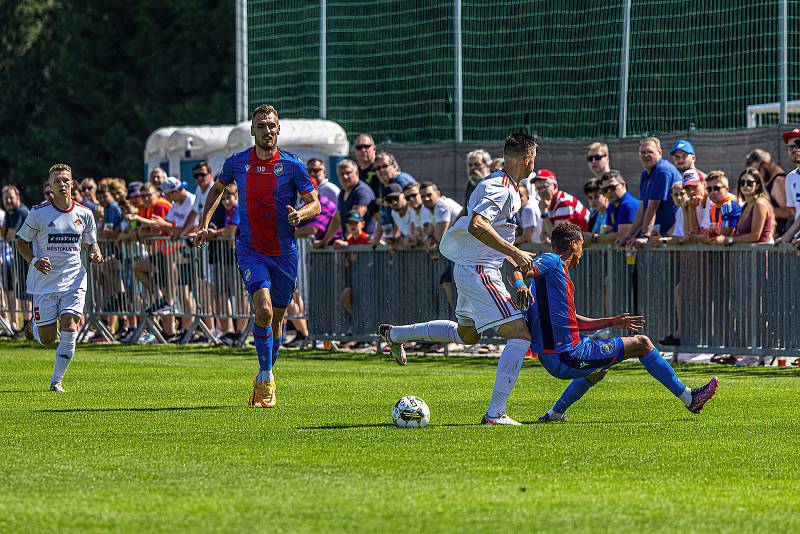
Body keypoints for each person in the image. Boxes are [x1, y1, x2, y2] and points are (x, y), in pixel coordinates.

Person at [379, 133, 537, 426]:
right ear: (528, 158)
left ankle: (396, 334)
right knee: (520, 335)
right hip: (479, 270)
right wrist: (515, 253)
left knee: (469, 336)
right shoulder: (501, 188)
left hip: (470, 267)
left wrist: (513, 254)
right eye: (534, 157)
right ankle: (496, 414)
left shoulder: (501, 185)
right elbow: (478, 225)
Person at [513, 222, 718, 422]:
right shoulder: (553, 261)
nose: (581, 253)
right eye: (582, 246)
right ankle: (690, 397)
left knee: (599, 370)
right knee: (642, 344)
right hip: (566, 355)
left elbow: (573, 321)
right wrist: (520, 284)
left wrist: (612, 321)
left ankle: (556, 414)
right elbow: (521, 268)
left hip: (559, 355)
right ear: (575, 244)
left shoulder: (555, 275)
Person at [194, 104, 320, 409]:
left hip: (284, 253)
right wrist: (205, 224)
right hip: (251, 249)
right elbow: (217, 190)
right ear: (252, 130)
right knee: (262, 311)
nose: (267, 130)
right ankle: (267, 379)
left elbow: (314, 203)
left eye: (271, 125)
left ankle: (264, 376)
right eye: (261, 126)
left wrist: (300, 214)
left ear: (279, 129)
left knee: (276, 323)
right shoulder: (237, 163)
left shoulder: (293, 165)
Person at [17, 164, 106, 391]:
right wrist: (35, 260)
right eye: (57, 181)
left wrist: (95, 251)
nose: (62, 184)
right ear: (51, 186)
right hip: (44, 281)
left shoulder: (85, 214)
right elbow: (21, 242)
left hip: (74, 279)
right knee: (47, 339)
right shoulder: (38, 213)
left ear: (72, 183)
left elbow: (90, 241)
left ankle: (56, 381)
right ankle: (35, 327)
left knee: (69, 324)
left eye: (65, 180)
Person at [617, 137, 682, 245]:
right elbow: (643, 207)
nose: (646, 155)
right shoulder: (646, 173)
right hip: (657, 237)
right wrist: (629, 236)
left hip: (669, 237)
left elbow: (652, 207)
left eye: (650, 152)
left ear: (660, 153)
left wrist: (645, 236)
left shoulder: (663, 171)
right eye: (643, 152)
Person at [419, 181, 462, 310]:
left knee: (449, 281)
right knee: (447, 281)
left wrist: (430, 237)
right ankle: (459, 316)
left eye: (429, 195)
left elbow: (439, 237)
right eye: (422, 196)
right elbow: (428, 231)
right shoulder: (430, 208)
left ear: (437, 194)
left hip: (466, 249)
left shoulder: (441, 205)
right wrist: (430, 236)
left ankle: (460, 316)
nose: (426, 198)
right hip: (461, 250)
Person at [315, 159, 376, 247]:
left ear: (357, 173)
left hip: (365, 247)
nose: (345, 176)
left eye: (348, 173)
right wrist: (324, 242)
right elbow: (337, 219)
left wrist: (345, 240)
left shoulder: (362, 191)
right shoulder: (342, 193)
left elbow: (354, 220)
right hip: (352, 247)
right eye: (342, 174)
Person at [719, 168, 774, 244]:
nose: (745, 185)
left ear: (757, 186)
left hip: (760, 253)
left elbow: (755, 236)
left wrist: (728, 239)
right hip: (748, 254)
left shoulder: (760, 204)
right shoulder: (745, 205)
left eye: (749, 183)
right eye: (742, 183)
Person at [745, 148, 790, 234]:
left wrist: (761, 209)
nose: (757, 176)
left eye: (757, 171)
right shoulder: (772, 181)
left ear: (765, 164)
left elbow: (788, 213)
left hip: (783, 238)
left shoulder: (778, 181)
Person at [533, 169, 589, 236]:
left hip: (589, 243)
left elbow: (556, 236)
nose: (541, 191)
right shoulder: (548, 204)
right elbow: (542, 237)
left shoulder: (564, 201)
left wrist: (543, 213)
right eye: (538, 188)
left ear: (555, 186)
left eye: (545, 187)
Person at [596, 170, 639, 244]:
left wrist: (593, 238)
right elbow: (608, 231)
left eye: (612, 187)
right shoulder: (611, 206)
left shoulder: (628, 205)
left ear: (623, 185)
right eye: (605, 190)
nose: (609, 192)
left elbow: (622, 236)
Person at [704, 171, 741, 241]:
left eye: (716, 188)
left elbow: (723, 236)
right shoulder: (713, 208)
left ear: (727, 189)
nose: (712, 192)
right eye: (709, 189)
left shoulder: (730, 205)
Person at [778, 129, 800, 244]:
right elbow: (794, 213)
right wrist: (786, 236)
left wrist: (787, 236)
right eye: (791, 147)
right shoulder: (790, 177)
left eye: (799, 144)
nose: (795, 149)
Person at [515, 180, 544, 245]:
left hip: (537, 246)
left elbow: (526, 237)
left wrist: (509, 243)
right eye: (516, 196)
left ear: (527, 197)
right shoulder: (529, 204)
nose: (517, 198)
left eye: (521, 196)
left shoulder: (528, 209)